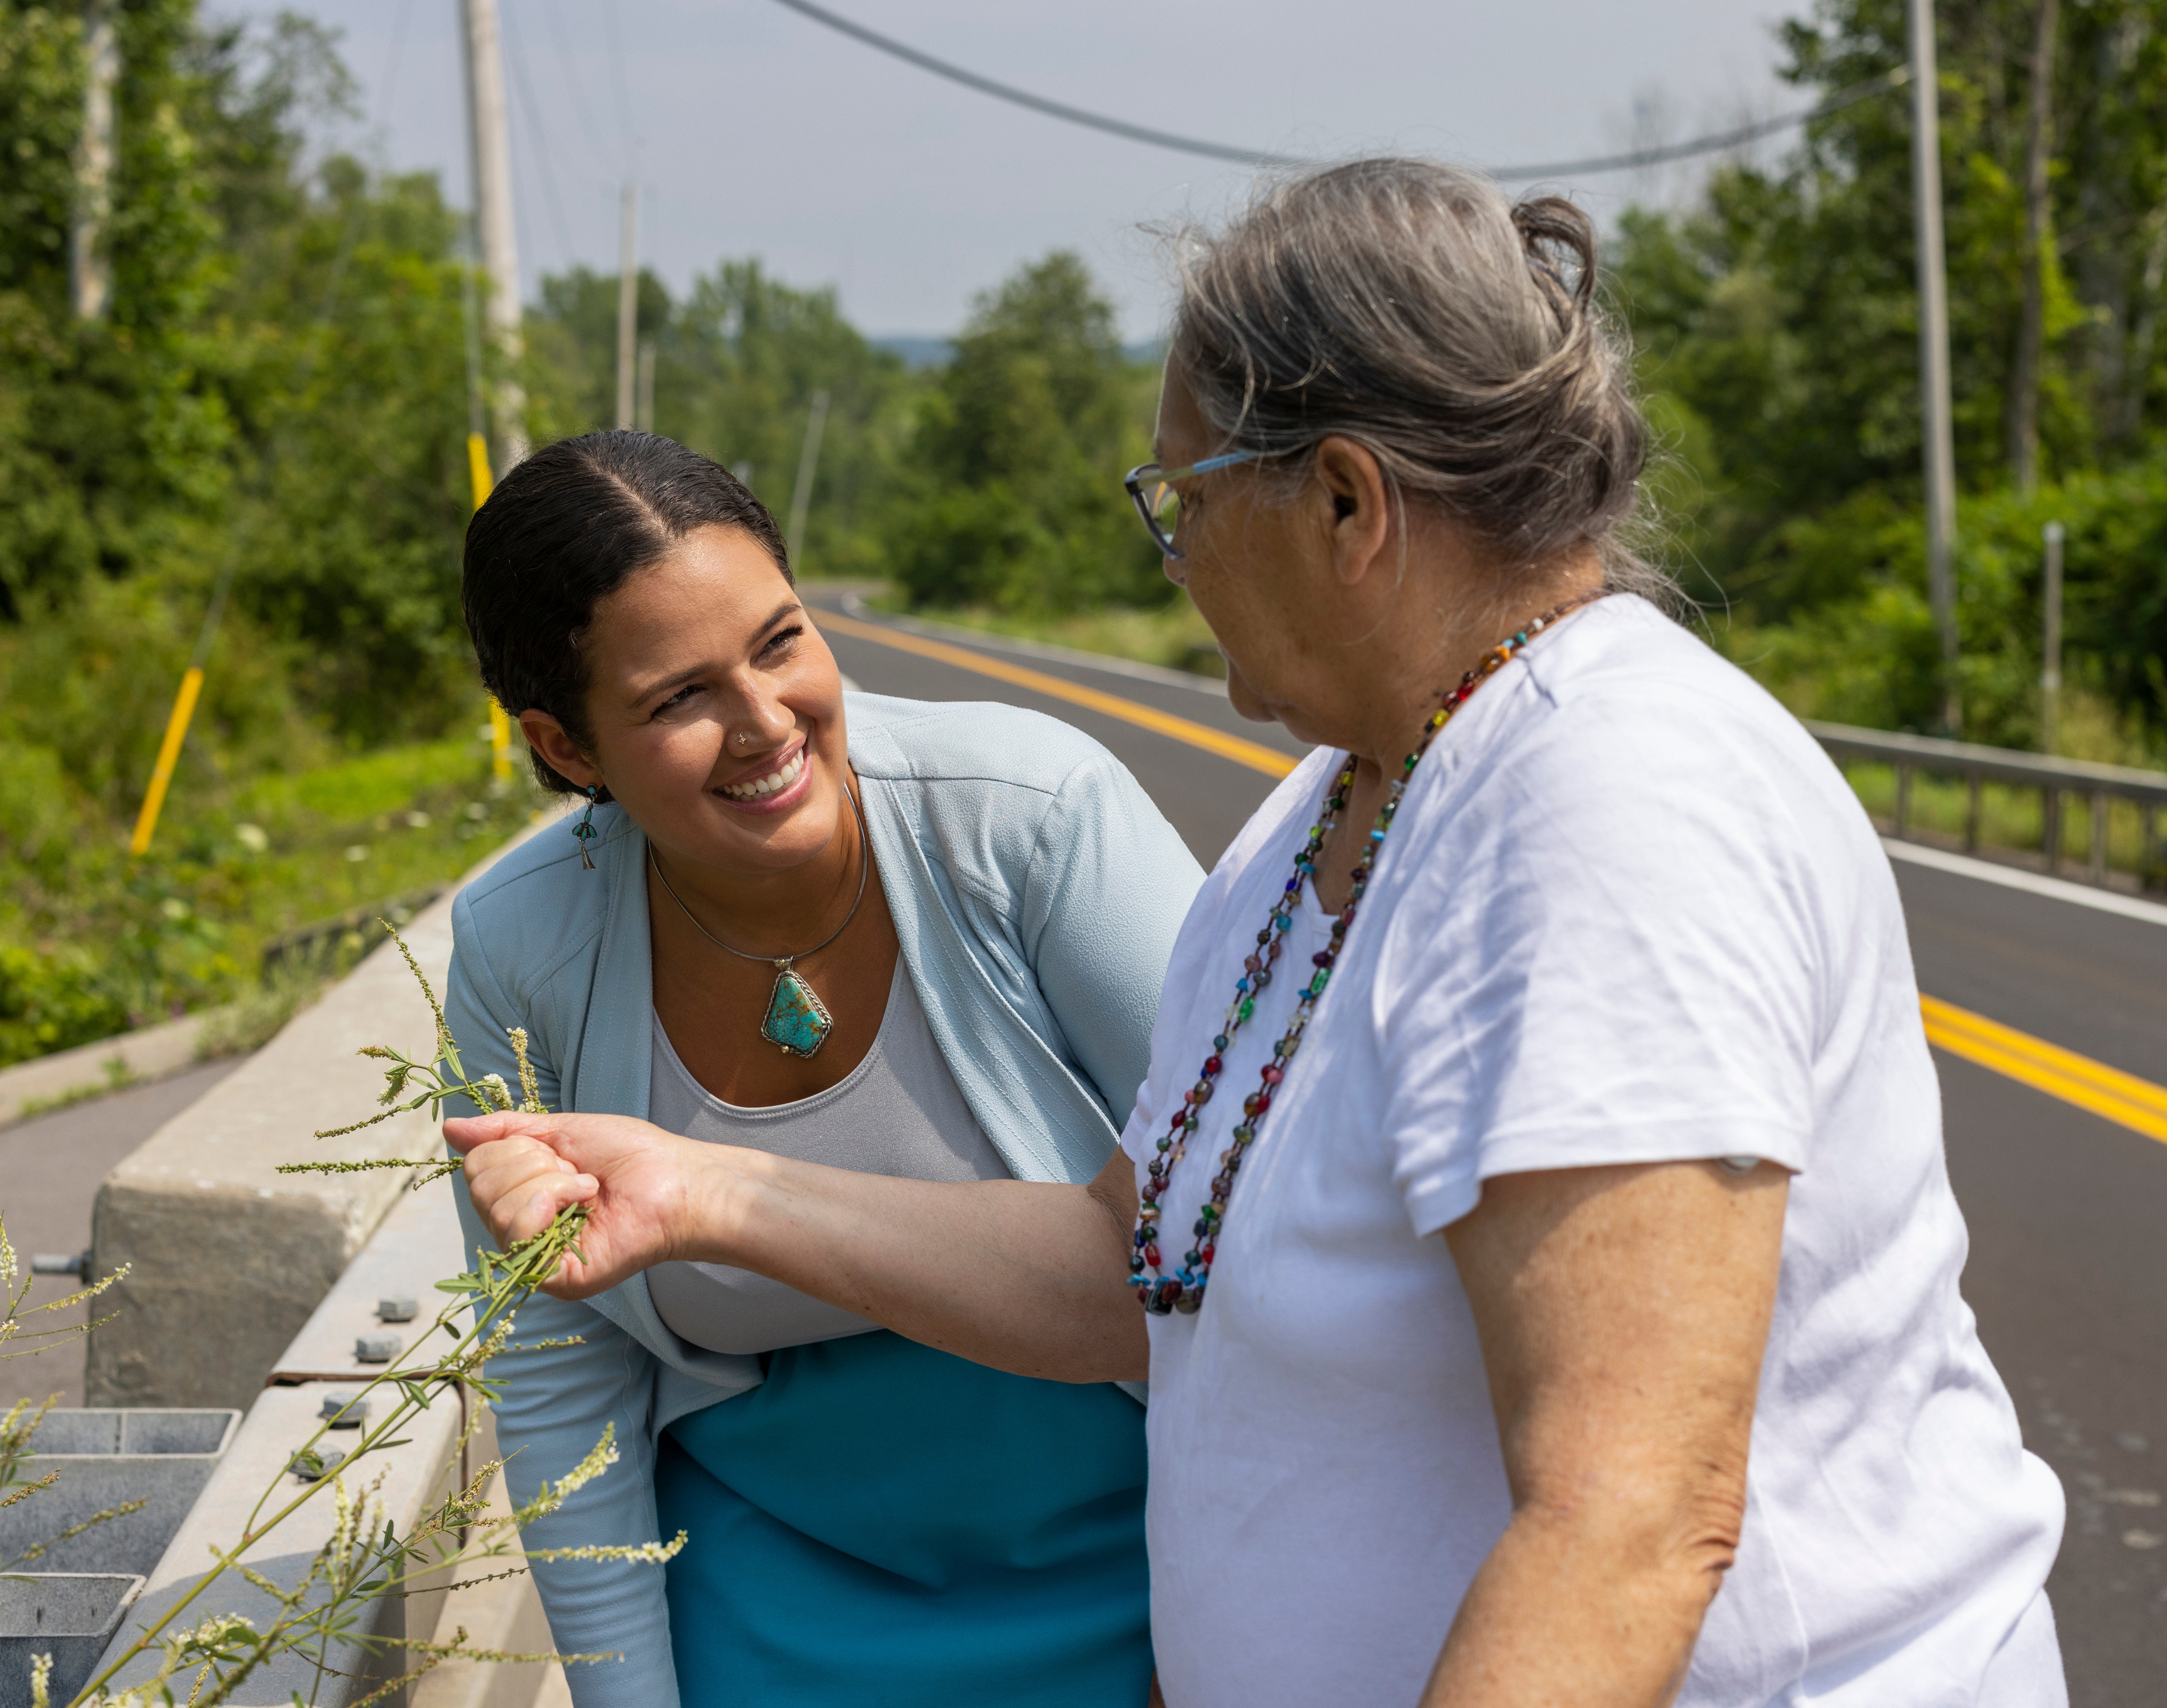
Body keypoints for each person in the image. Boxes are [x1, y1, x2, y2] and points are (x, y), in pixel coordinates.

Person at [454, 161, 2068, 1706]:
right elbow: (1134, 1268)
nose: (1170, 553)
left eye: (1184, 498)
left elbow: (1630, 1520)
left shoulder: (1606, 801)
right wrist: (709, 1189)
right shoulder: (1324, 820)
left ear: (1346, 500)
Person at [445, 430, 1201, 1708]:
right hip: (772, 1575)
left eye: (780, 640)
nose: (762, 721)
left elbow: (1247, 1205)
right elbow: (558, 1374)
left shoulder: (1031, 814)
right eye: (679, 697)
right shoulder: (521, 947)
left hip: (1144, 1524)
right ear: (568, 749)